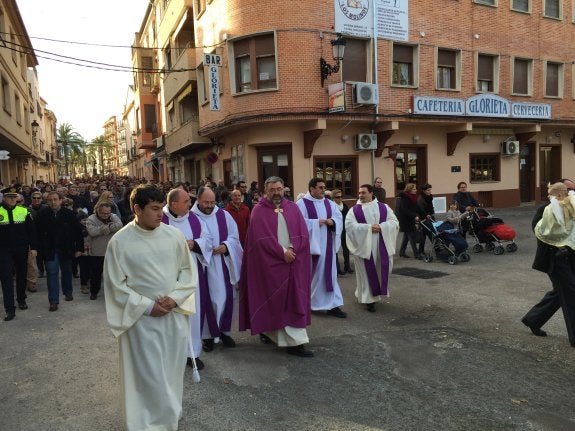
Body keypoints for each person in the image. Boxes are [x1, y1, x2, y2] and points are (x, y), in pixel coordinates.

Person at [103, 185, 197, 431]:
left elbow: (188, 272)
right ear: (137, 209)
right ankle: (144, 422)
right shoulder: (120, 242)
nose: (160, 214)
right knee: (147, 375)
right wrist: (147, 306)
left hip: (172, 316)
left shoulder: (174, 236)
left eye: (161, 208)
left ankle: (168, 415)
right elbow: (116, 286)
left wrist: (175, 298)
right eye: (155, 209)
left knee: (170, 370)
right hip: (141, 322)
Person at [239, 176, 313, 357]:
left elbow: (303, 233)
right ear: (265, 191)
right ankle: (270, 332)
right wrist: (282, 253)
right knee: (272, 301)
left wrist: (292, 250)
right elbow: (260, 240)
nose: (276, 193)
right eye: (272, 190)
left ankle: (295, 342)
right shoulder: (258, 211)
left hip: (293, 262)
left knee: (292, 300)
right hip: (270, 265)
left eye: (279, 189)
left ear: (284, 189)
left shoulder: (293, 208)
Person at [162, 188, 213, 371]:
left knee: (193, 312)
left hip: (192, 273)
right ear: (174, 204)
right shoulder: (160, 220)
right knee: (172, 314)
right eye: (186, 201)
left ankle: (193, 354)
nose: (190, 205)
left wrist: (194, 243)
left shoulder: (195, 219)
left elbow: (208, 240)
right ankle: (172, 354)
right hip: (168, 276)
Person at [521, 180, 575, 346]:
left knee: (561, 293)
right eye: (568, 189)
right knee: (571, 293)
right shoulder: (546, 209)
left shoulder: (571, 206)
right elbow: (540, 233)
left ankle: (534, 319)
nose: (570, 192)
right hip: (556, 259)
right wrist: (561, 245)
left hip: (570, 258)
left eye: (571, 189)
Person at [191, 187, 243, 352]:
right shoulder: (190, 218)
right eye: (206, 202)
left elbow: (235, 237)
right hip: (202, 265)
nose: (209, 205)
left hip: (222, 263)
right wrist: (203, 248)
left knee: (227, 296)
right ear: (198, 200)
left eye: (212, 202)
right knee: (206, 300)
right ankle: (207, 336)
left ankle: (224, 332)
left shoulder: (223, 215)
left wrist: (226, 246)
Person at [296, 178, 346, 318]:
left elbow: (338, 218)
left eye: (324, 187)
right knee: (315, 276)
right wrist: (315, 223)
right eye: (320, 187)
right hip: (310, 248)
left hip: (327, 247)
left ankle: (333, 305)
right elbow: (296, 223)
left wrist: (333, 222)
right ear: (311, 188)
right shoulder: (301, 204)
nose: (323, 190)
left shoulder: (329, 203)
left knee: (330, 275)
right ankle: (312, 303)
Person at [345, 184, 399, 312]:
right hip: (364, 247)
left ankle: (373, 294)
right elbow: (350, 226)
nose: (360, 195)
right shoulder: (354, 210)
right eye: (359, 193)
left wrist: (382, 227)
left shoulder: (384, 207)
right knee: (365, 273)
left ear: (371, 193)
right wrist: (369, 228)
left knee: (381, 270)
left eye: (363, 192)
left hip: (382, 245)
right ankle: (368, 300)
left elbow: (394, 222)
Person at [35, 191, 84, 311]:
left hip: (66, 248)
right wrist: (38, 249)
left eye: (55, 199)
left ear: (61, 201)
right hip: (50, 249)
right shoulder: (42, 214)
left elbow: (78, 232)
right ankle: (53, 301)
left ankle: (68, 292)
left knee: (67, 271)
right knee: (52, 273)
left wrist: (79, 248)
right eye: (50, 200)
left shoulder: (69, 214)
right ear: (47, 202)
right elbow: (37, 233)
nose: (53, 202)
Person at [0, 186, 37, 321]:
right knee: (6, 278)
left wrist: (33, 247)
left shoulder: (24, 211)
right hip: (3, 250)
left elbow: (31, 231)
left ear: (17, 198)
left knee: (22, 275)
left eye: (14, 197)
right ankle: (10, 309)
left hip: (21, 248)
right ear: (4, 198)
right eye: (9, 197)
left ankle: (21, 299)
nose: (12, 199)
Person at [86, 202, 123, 300]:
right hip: (97, 252)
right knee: (96, 274)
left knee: (113, 274)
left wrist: (108, 227)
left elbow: (120, 225)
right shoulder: (91, 219)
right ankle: (94, 292)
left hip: (111, 251)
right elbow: (92, 232)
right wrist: (106, 228)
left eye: (108, 213)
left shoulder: (113, 216)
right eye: (103, 213)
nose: (106, 215)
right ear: (98, 211)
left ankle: (114, 293)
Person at [395, 183, 423, 259]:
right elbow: (405, 210)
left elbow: (417, 207)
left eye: (415, 188)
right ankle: (416, 254)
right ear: (409, 190)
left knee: (406, 237)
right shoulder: (405, 198)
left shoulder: (413, 197)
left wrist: (424, 214)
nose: (416, 190)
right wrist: (414, 216)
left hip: (410, 219)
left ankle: (402, 252)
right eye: (414, 189)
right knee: (412, 237)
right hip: (405, 220)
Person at [332, 189, 353, 275]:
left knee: (346, 248)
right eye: (337, 197)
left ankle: (347, 266)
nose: (340, 199)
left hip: (344, 230)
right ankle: (337, 268)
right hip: (336, 231)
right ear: (333, 198)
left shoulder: (344, 205)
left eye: (341, 197)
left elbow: (348, 217)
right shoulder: (332, 206)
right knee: (336, 249)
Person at [417, 183, 435, 256]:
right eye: (428, 190)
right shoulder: (420, 199)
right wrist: (426, 215)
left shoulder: (430, 197)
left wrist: (431, 214)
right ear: (424, 191)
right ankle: (420, 251)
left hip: (429, 217)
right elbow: (420, 209)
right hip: (423, 218)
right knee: (423, 236)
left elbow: (431, 207)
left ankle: (437, 248)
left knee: (432, 233)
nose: (429, 191)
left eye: (430, 190)